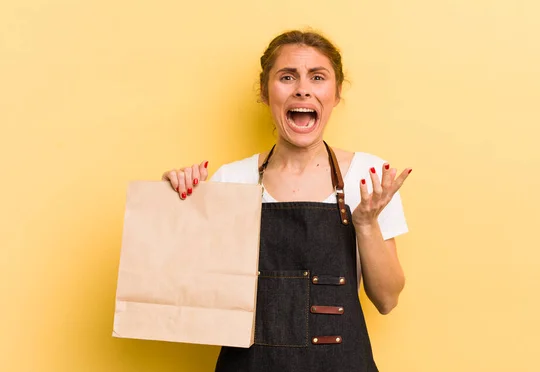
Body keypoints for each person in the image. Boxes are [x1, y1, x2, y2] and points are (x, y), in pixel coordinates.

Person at [162, 29, 412, 372]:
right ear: (266, 92)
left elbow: (387, 300)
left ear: (336, 93)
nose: (303, 88)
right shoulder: (231, 180)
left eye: (318, 77)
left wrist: (366, 223)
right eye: (287, 77)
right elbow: (193, 299)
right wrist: (176, 204)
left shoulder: (369, 178)